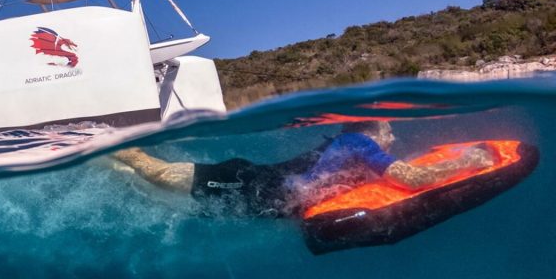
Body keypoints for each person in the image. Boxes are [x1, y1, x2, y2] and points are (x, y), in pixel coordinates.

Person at [113, 121, 494, 218]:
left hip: (262, 193)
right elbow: (409, 178)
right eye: (389, 130)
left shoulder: (353, 151)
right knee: (155, 172)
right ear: (369, 130)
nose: (392, 138)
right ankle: (110, 146)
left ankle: (108, 161)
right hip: (249, 183)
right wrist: (467, 161)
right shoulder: (360, 144)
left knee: (153, 184)